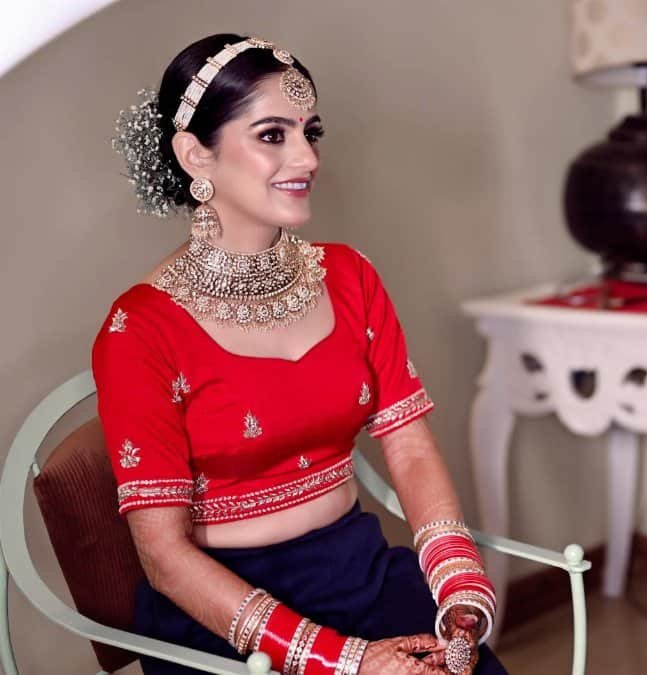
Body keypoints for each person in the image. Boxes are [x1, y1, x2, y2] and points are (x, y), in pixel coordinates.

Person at [96, 34, 504, 675]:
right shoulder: (139, 329)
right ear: (194, 154)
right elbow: (163, 558)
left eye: (310, 131)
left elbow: (409, 445)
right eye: (271, 135)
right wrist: (346, 662)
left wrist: (457, 586)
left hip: (360, 571)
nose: (307, 157)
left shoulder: (350, 277)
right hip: (221, 615)